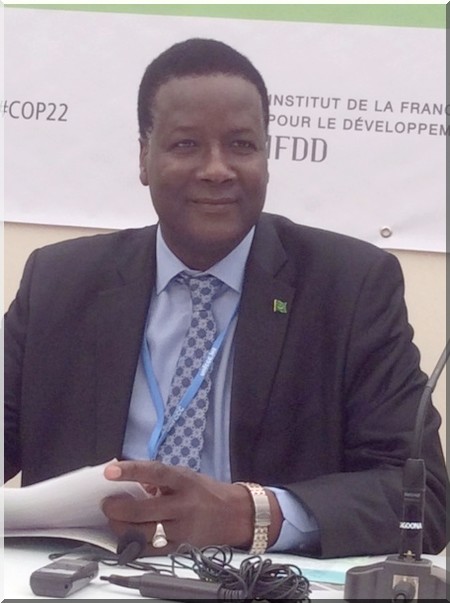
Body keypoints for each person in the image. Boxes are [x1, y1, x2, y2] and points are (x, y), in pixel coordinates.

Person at [4, 38, 448, 560]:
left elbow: (423, 499)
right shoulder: (60, 282)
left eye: (241, 145)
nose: (217, 169)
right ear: (144, 157)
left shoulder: (350, 288)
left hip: (252, 582)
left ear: (267, 157)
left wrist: (247, 513)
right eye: (186, 145)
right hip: (79, 579)